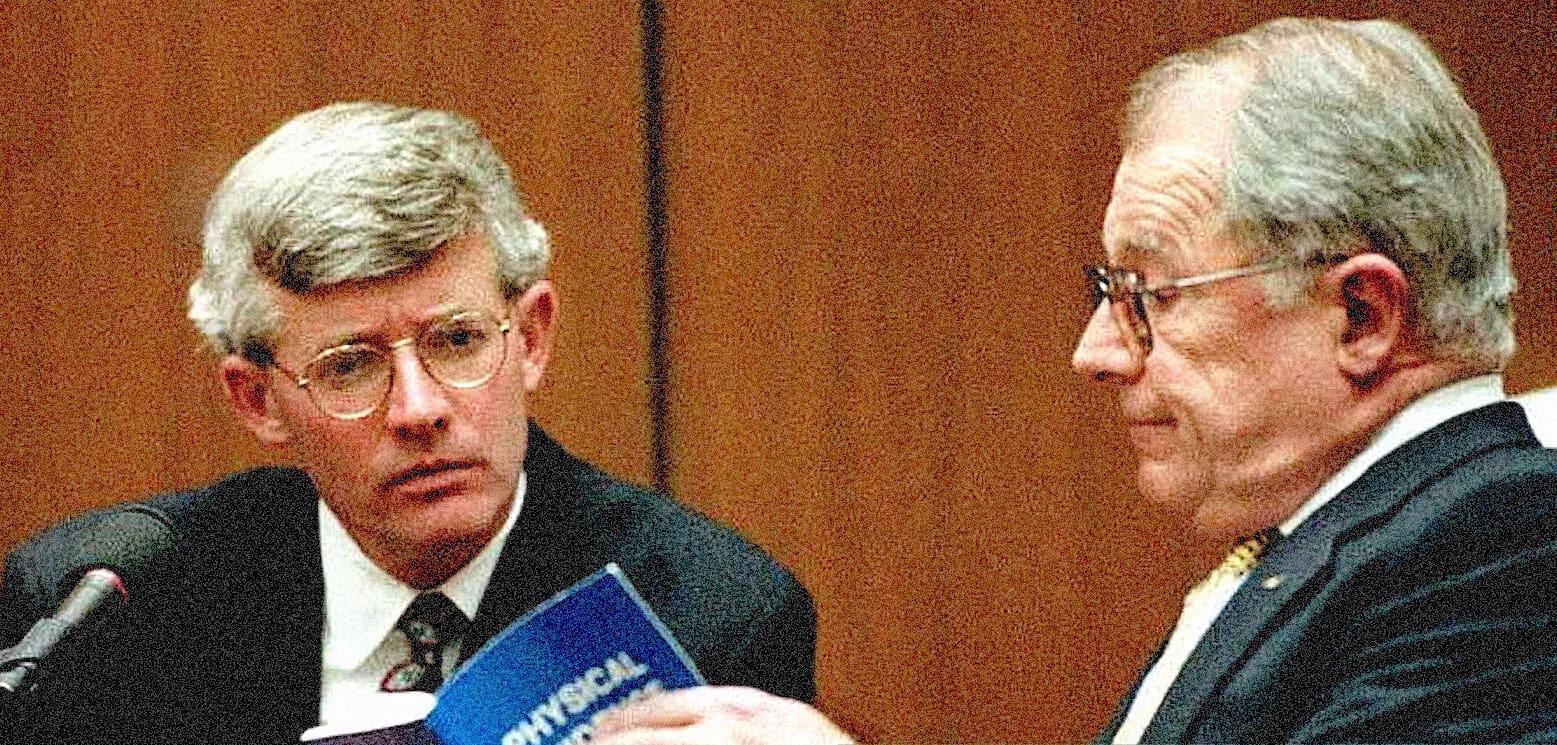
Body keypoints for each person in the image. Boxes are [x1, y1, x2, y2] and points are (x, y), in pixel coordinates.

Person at [590, 16, 1557, 745]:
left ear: (1360, 316)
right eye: (1109, 289)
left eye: (1151, 294)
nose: (1096, 349)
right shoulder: (1338, 539)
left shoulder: (1503, 542)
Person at [0, 102, 816, 744]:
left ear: (529, 336)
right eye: (350, 365)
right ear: (257, 399)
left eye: (457, 341)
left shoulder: (705, 616)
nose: (419, 409)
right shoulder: (116, 617)